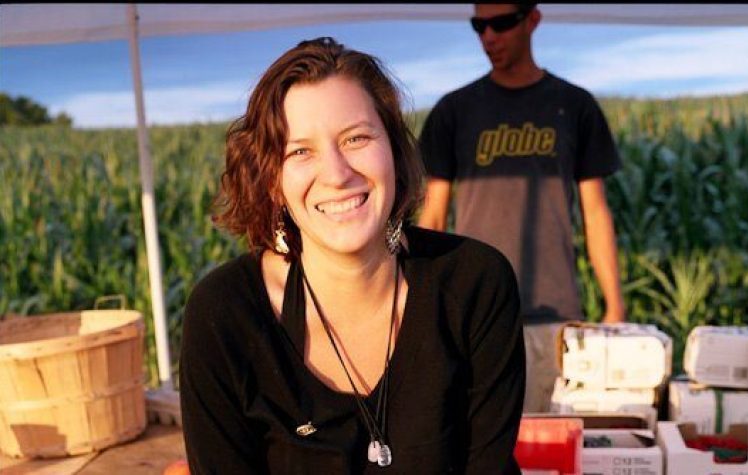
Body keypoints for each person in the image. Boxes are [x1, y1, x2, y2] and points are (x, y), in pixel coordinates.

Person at [179, 37, 525, 474]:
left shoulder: (475, 285)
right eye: (300, 151)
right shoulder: (225, 315)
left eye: (356, 138)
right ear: (272, 181)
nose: (337, 174)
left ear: (396, 152)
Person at [416, 3, 625, 414]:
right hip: (472, 314)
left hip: (554, 315)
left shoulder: (574, 105)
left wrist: (614, 305)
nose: (488, 36)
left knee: (550, 446)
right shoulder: (453, 111)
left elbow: (595, 213)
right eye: (479, 25)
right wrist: (426, 308)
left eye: (501, 23)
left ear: (533, 20)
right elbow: (434, 217)